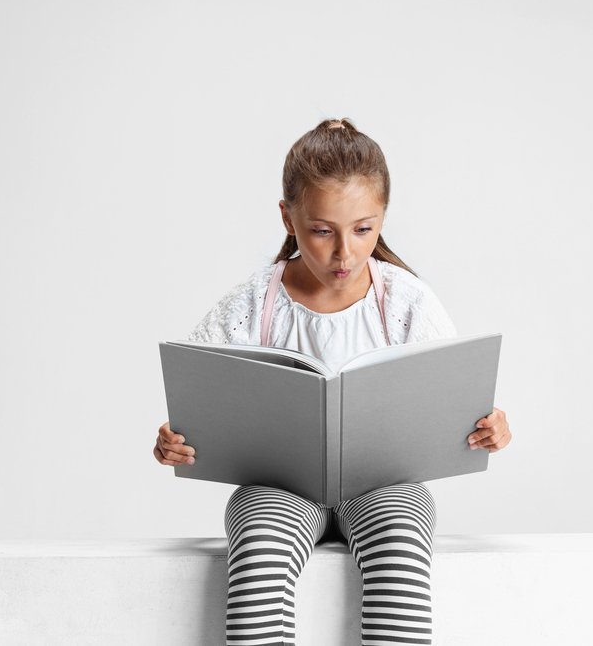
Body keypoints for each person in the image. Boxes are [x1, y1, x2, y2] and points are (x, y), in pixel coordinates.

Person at [153, 118, 512, 646]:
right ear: (288, 219)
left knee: (401, 539)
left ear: (383, 218)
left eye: (363, 230)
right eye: (322, 231)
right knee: (258, 544)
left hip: (383, 482)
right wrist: (174, 441)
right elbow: (199, 396)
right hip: (279, 486)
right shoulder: (252, 303)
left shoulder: (408, 302)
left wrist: (491, 427)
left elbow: (453, 397)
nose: (344, 253)